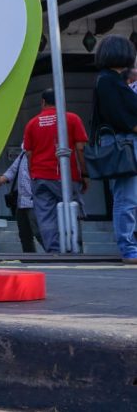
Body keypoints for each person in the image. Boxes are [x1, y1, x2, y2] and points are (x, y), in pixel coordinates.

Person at [89, 35, 137, 264]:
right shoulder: (110, 81)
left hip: (120, 142)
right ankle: (128, 247)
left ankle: (129, 246)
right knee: (126, 197)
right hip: (125, 142)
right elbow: (121, 115)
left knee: (126, 197)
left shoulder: (108, 79)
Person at [22, 88, 88, 253]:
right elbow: (80, 148)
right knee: (71, 210)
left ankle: (54, 250)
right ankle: (74, 248)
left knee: (45, 216)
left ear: (43, 102)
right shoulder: (72, 119)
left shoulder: (32, 123)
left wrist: (32, 174)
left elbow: (29, 153)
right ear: (62, 101)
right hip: (67, 175)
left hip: (40, 176)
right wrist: (85, 173)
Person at [0, 149, 42, 253]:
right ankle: (30, 259)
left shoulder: (40, 152)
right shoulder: (23, 154)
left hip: (35, 201)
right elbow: (12, 171)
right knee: (24, 235)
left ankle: (54, 254)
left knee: (39, 233)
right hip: (21, 202)